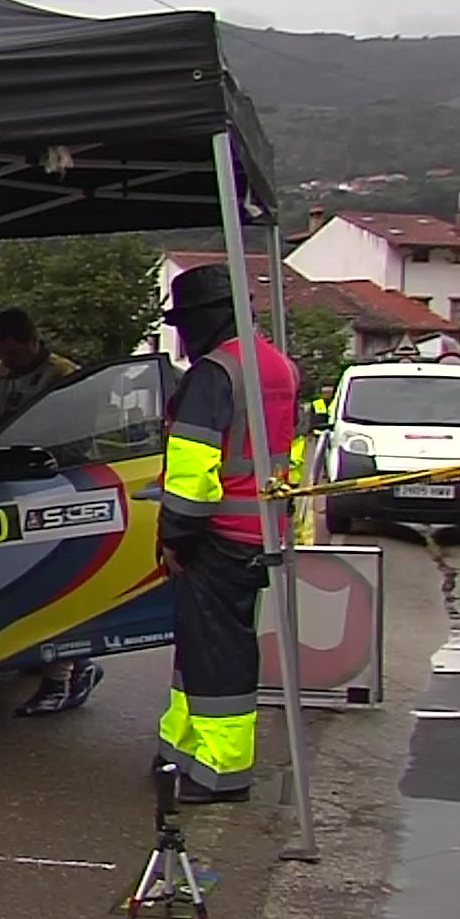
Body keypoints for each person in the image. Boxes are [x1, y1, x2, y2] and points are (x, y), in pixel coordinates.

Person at [155, 263, 298, 805]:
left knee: (216, 653)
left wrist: (176, 537)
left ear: (206, 319)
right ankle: (181, 748)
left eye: (185, 324)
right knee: (206, 646)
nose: (183, 338)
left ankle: (220, 770)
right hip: (259, 530)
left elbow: (193, 476)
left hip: (216, 535)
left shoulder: (215, 373)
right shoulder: (276, 365)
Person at [0, 308, 105, 718]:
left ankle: (61, 678)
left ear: (31, 342)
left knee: (59, 580)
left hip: (56, 482)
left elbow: (83, 432)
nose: (8, 361)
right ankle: (63, 662)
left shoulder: (63, 375)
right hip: (8, 481)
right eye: (2, 354)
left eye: (14, 354)